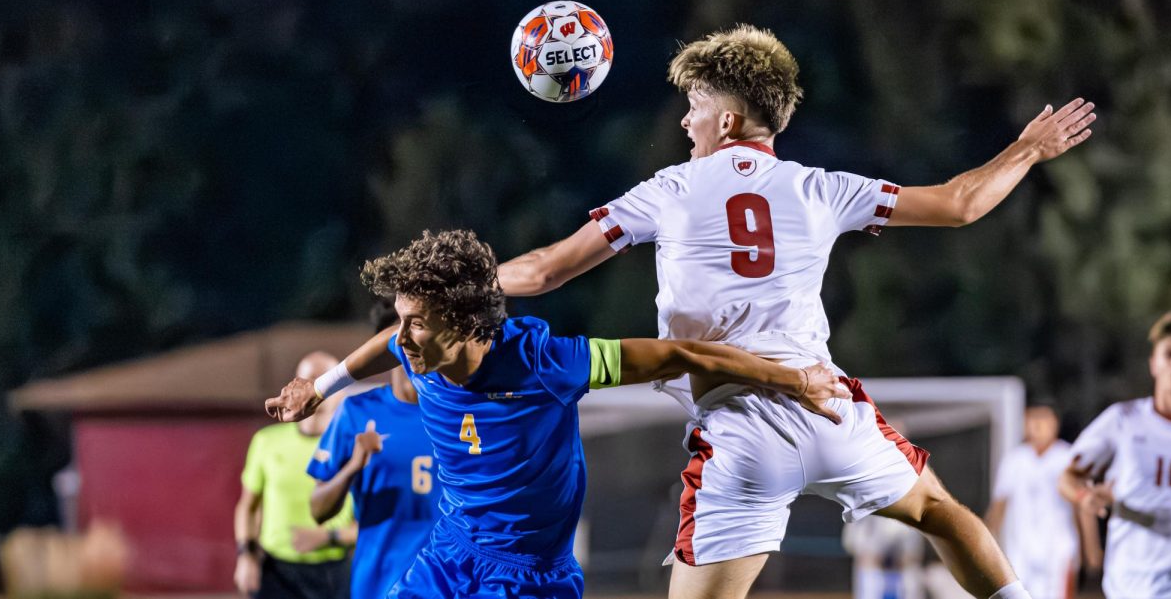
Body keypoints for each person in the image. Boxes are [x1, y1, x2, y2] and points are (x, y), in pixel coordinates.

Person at [495, 24, 1097, 599]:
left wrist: (457, 287)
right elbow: (959, 204)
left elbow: (546, 269)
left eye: (695, 106)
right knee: (939, 511)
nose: (684, 119)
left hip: (740, 433)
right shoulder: (822, 187)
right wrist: (1025, 149)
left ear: (727, 120)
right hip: (830, 410)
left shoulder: (669, 189)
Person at [264, 229, 849, 599]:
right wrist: (320, 387)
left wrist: (795, 378)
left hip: (530, 576)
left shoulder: (547, 362)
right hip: (449, 555)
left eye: (416, 321)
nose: (403, 338)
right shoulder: (417, 348)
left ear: (467, 323)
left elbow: (680, 354)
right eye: (401, 318)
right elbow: (380, 346)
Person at [306, 301, 440, 599]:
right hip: (380, 585)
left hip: (451, 585)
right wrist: (354, 466)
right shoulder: (356, 413)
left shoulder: (459, 412)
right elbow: (318, 509)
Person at [1059, 311, 1171, 599]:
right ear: (1154, 364)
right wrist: (1085, 497)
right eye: (1170, 353)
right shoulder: (1123, 421)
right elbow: (1069, 476)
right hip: (1131, 581)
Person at [234, 351, 355, 599]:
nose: (317, 389)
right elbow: (248, 506)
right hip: (275, 571)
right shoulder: (266, 441)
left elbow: (377, 522)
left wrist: (328, 536)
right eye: (309, 380)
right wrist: (246, 555)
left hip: (331, 574)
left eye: (326, 380)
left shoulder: (355, 447)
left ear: (340, 390)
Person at [984, 403, 1082, 599]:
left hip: (1058, 548)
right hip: (1019, 548)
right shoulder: (1014, 459)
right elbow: (998, 506)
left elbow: (1081, 505)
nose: (1038, 425)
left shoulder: (1067, 456)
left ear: (1055, 423)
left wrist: (1090, 546)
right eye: (1033, 419)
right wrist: (987, 543)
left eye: (1044, 420)